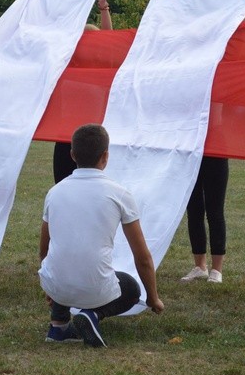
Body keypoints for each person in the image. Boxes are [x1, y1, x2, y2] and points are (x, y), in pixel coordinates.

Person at [38, 123, 164, 347]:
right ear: (105, 156)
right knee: (131, 287)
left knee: (66, 260)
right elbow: (142, 257)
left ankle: (58, 326)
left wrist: (52, 285)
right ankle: (93, 315)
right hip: (94, 287)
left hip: (57, 283)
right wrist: (153, 298)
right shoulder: (119, 194)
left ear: (72, 155)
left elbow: (45, 248)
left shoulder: (54, 193)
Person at [52, 0, 113, 184]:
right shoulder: (66, 70)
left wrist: (103, 7)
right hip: (65, 142)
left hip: (93, 141)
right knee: (63, 188)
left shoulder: (101, 73)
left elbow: (108, 41)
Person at [180, 156, 229, 283]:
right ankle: (200, 267)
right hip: (192, 157)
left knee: (215, 212)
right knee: (194, 212)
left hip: (216, 157)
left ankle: (217, 270)